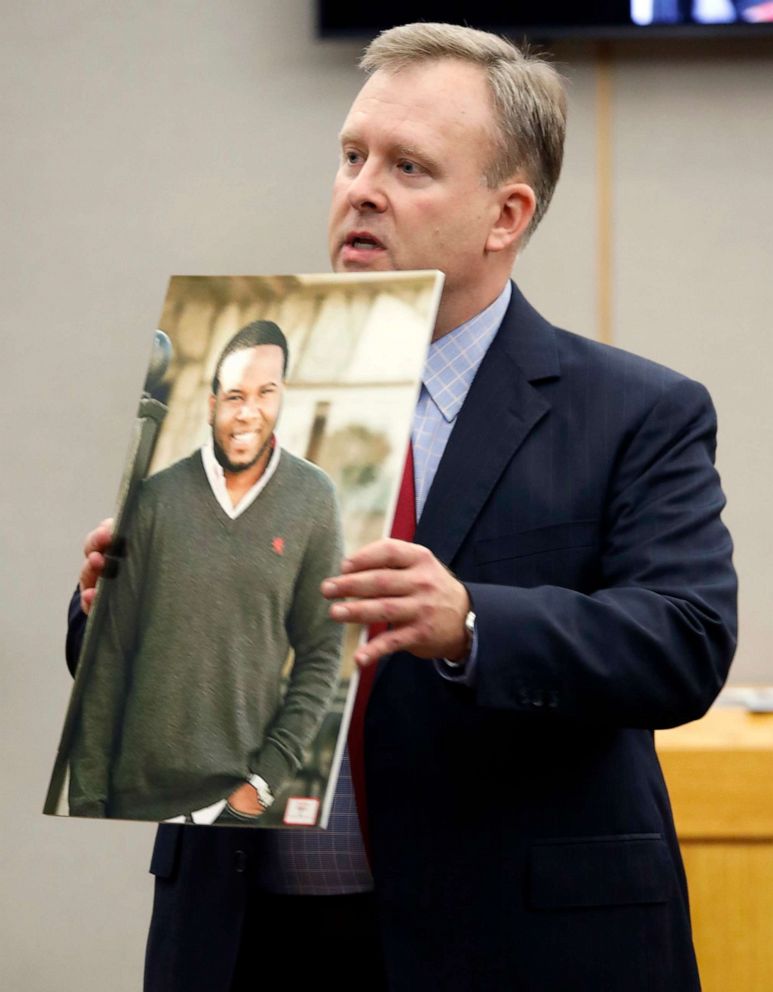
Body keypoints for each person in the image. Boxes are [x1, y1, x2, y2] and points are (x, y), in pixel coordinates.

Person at [69, 22, 736, 991]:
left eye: (408, 166)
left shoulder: (634, 411)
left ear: (504, 214)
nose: (360, 188)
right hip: (247, 939)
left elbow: (682, 638)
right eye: (351, 155)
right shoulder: (243, 378)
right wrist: (114, 607)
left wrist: (470, 622)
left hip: (507, 941)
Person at [68, 320, 343, 824]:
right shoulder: (154, 500)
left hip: (234, 811)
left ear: (282, 399)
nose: (249, 412)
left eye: (266, 393)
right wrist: (87, 800)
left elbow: (323, 652)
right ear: (212, 403)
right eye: (235, 395)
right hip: (133, 801)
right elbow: (108, 657)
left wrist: (262, 783)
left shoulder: (313, 500)